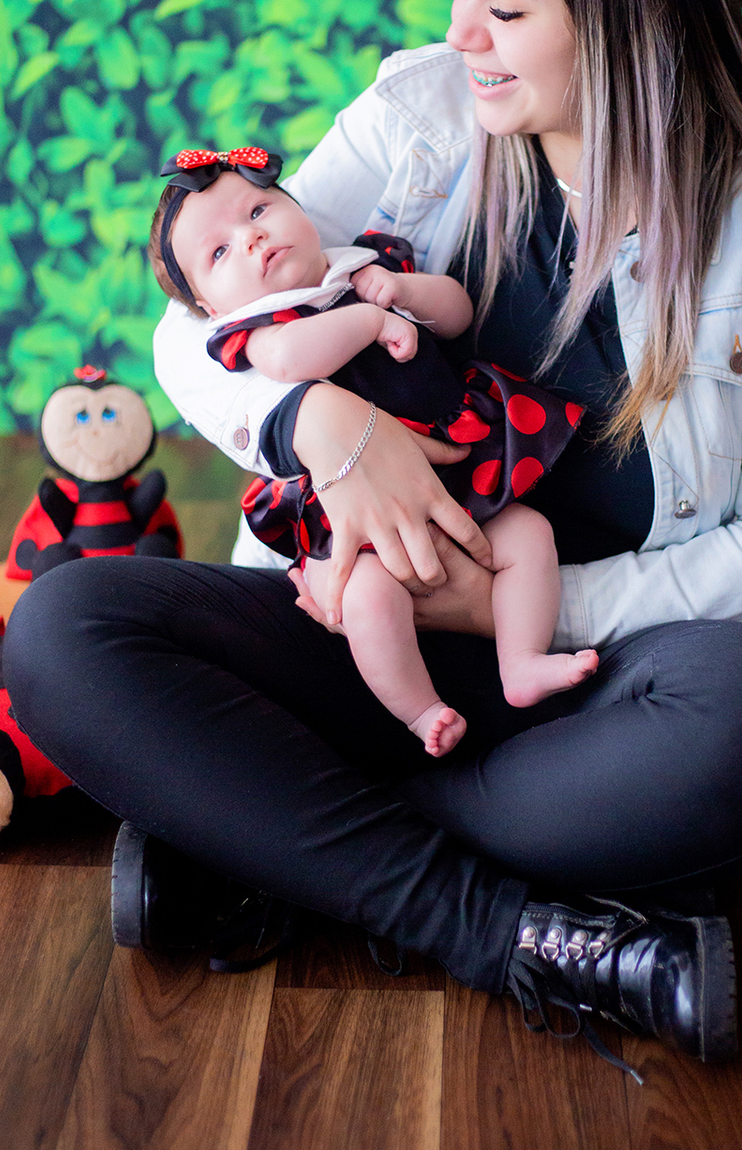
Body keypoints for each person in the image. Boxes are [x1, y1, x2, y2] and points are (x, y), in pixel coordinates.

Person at [5, 0, 742, 1068]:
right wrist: (323, 422)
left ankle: (279, 842)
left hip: (580, 690)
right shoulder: (419, 113)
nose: (463, 33)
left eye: (505, 9)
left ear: (629, 26)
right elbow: (198, 331)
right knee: (64, 629)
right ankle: (514, 931)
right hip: (354, 639)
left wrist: (522, 607)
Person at [148, 149, 598, 756]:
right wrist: (367, 321)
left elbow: (457, 314)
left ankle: (522, 663)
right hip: (347, 518)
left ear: (299, 212)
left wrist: (405, 289)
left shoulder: (365, 263)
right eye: (220, 252)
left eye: (259, 209)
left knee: (529, 537)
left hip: (457, 475)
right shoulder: (258, 331)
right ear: (210, 308)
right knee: (367, 599)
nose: (251, 237)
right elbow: (292, 362)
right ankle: (419, 711)